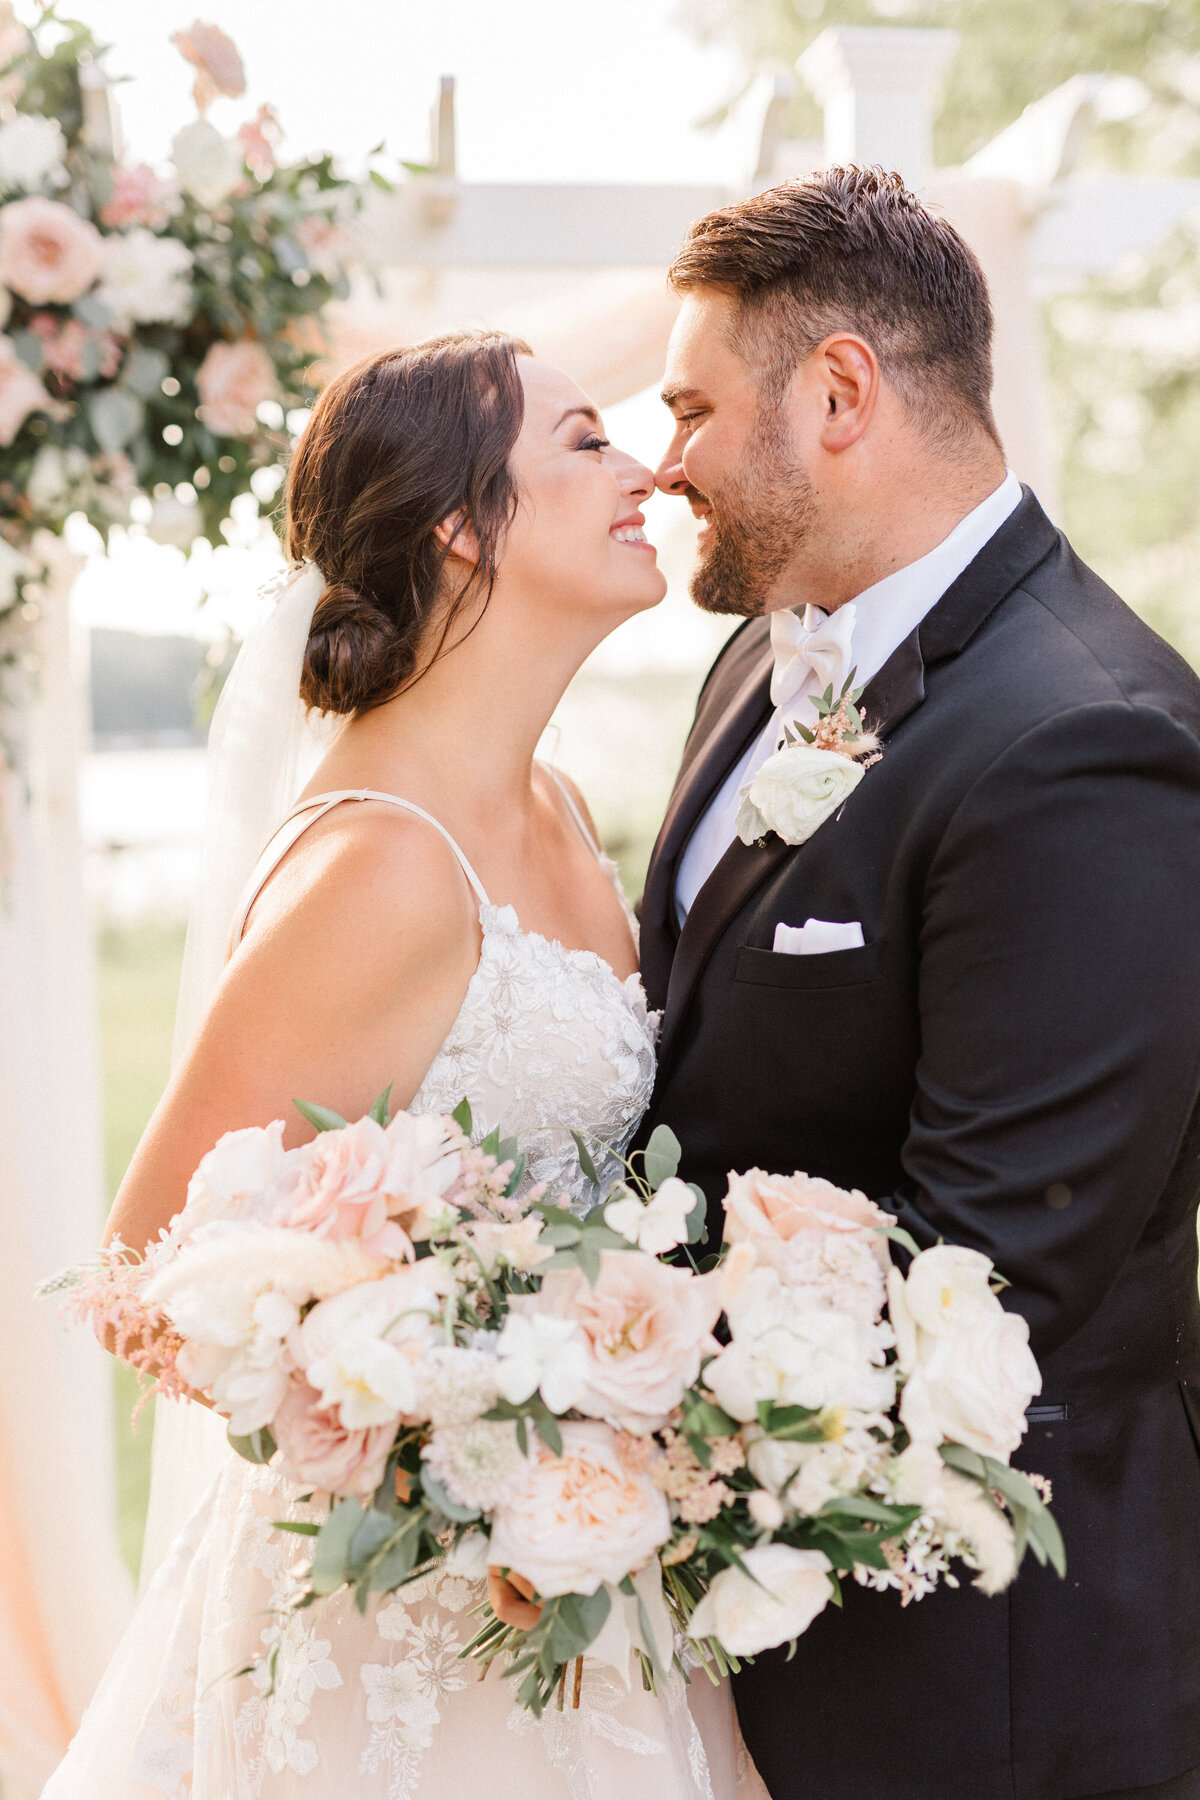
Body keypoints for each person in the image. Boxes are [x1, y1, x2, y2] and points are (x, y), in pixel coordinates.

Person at [44, 332, 755, 1799]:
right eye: (584, 443)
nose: (647, 472)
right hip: (400, 1623)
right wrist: (451, 1411)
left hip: (576, 1569)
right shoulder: (385, 867)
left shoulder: (552, 804)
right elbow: (144, 1280)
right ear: (458, 520)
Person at [638, 166, 1200, 1800]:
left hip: (988, 1663)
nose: (665, 463)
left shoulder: (1088, 742)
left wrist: (573, 1391)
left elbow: (992, 1266)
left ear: (837, 394)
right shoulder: (770, 650)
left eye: (689, 408)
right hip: (756, 1620)